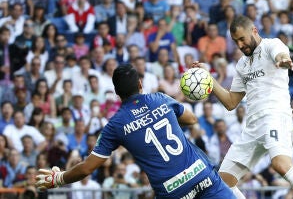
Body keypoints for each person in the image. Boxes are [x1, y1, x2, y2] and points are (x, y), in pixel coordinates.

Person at [35, 64, 236, 199]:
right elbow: (191, 119)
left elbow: (87, 167)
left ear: (116, 93)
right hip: (202, 175)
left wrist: (59, 178)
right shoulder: (159, 99)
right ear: (140, 84)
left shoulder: (115, 125)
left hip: (173, 191)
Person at [193, 15, 293, 198]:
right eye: (236, 41)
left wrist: (284, 59)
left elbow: (281, 54)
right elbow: (230, 102)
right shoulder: (242, 64)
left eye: (242, 39)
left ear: (254, 31)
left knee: (280, 164)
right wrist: (209, 78)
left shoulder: (271, 45)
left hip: (274, 116)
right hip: (252, 126)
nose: (240, 45)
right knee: (222, 181)